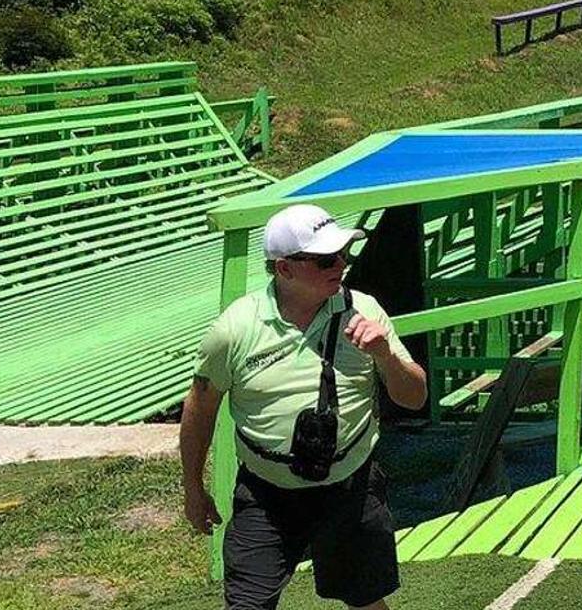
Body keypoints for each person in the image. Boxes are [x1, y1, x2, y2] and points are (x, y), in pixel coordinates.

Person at [179, 203, 429, 610]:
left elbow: (414, 397)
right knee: (246, 605)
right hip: (267, 494)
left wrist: (384, 354)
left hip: (352, 485)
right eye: (326, 259)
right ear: (284, 269)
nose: (341, 265)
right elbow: (200, 409)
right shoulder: (234, 329)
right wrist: (193, 488)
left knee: (367, 600)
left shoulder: (365, 310)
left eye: (344, 254)